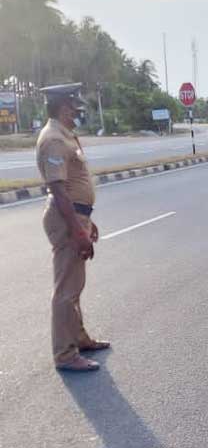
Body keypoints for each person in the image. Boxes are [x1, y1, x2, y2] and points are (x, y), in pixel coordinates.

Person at [36, 83, 110, 372]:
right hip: (66, 219)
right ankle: (65, 355)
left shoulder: (65, 135)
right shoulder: (54, 138)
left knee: (74, 285)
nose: (77, 113)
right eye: (74, 108)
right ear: (63, 107)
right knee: (66, 288)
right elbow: (57, 189)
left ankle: (79, 339)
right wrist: (78, 230)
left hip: (76, 216)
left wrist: (87, 221)